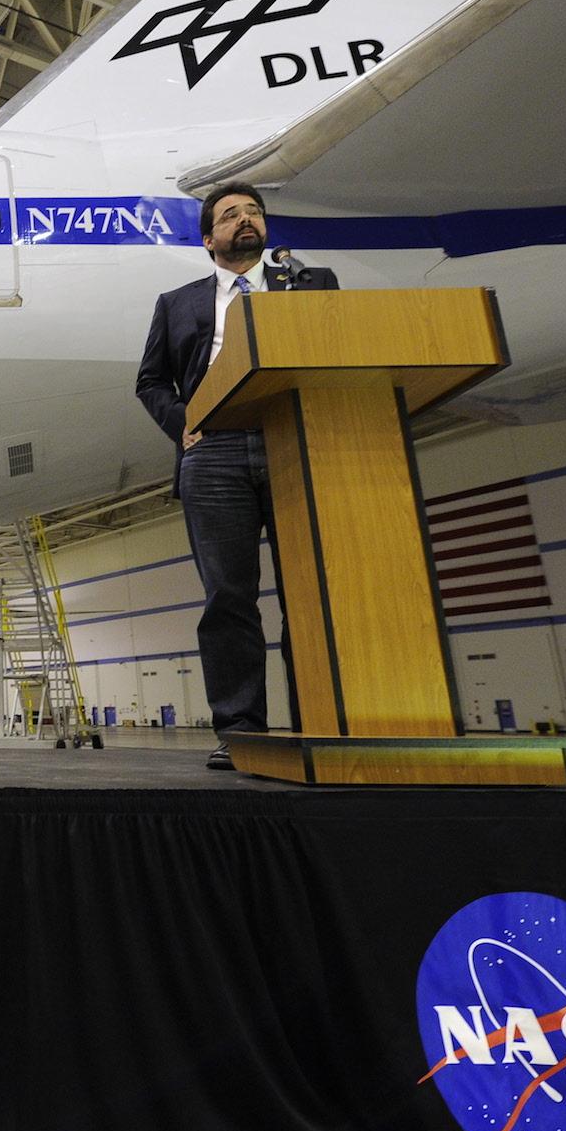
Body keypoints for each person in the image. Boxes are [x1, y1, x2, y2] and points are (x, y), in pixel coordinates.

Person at [133, 182, 340, 769]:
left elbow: (337, 348)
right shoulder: (177, 303)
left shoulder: (310, 283)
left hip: (291, 442)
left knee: (310, 590)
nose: (245, 220)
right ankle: (242, 731)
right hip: (215, 455)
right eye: (230, 215)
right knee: (229, 597)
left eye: (253, 212)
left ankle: (322, 720)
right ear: (208, 239)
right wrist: (184, 424)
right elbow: (150, 382)